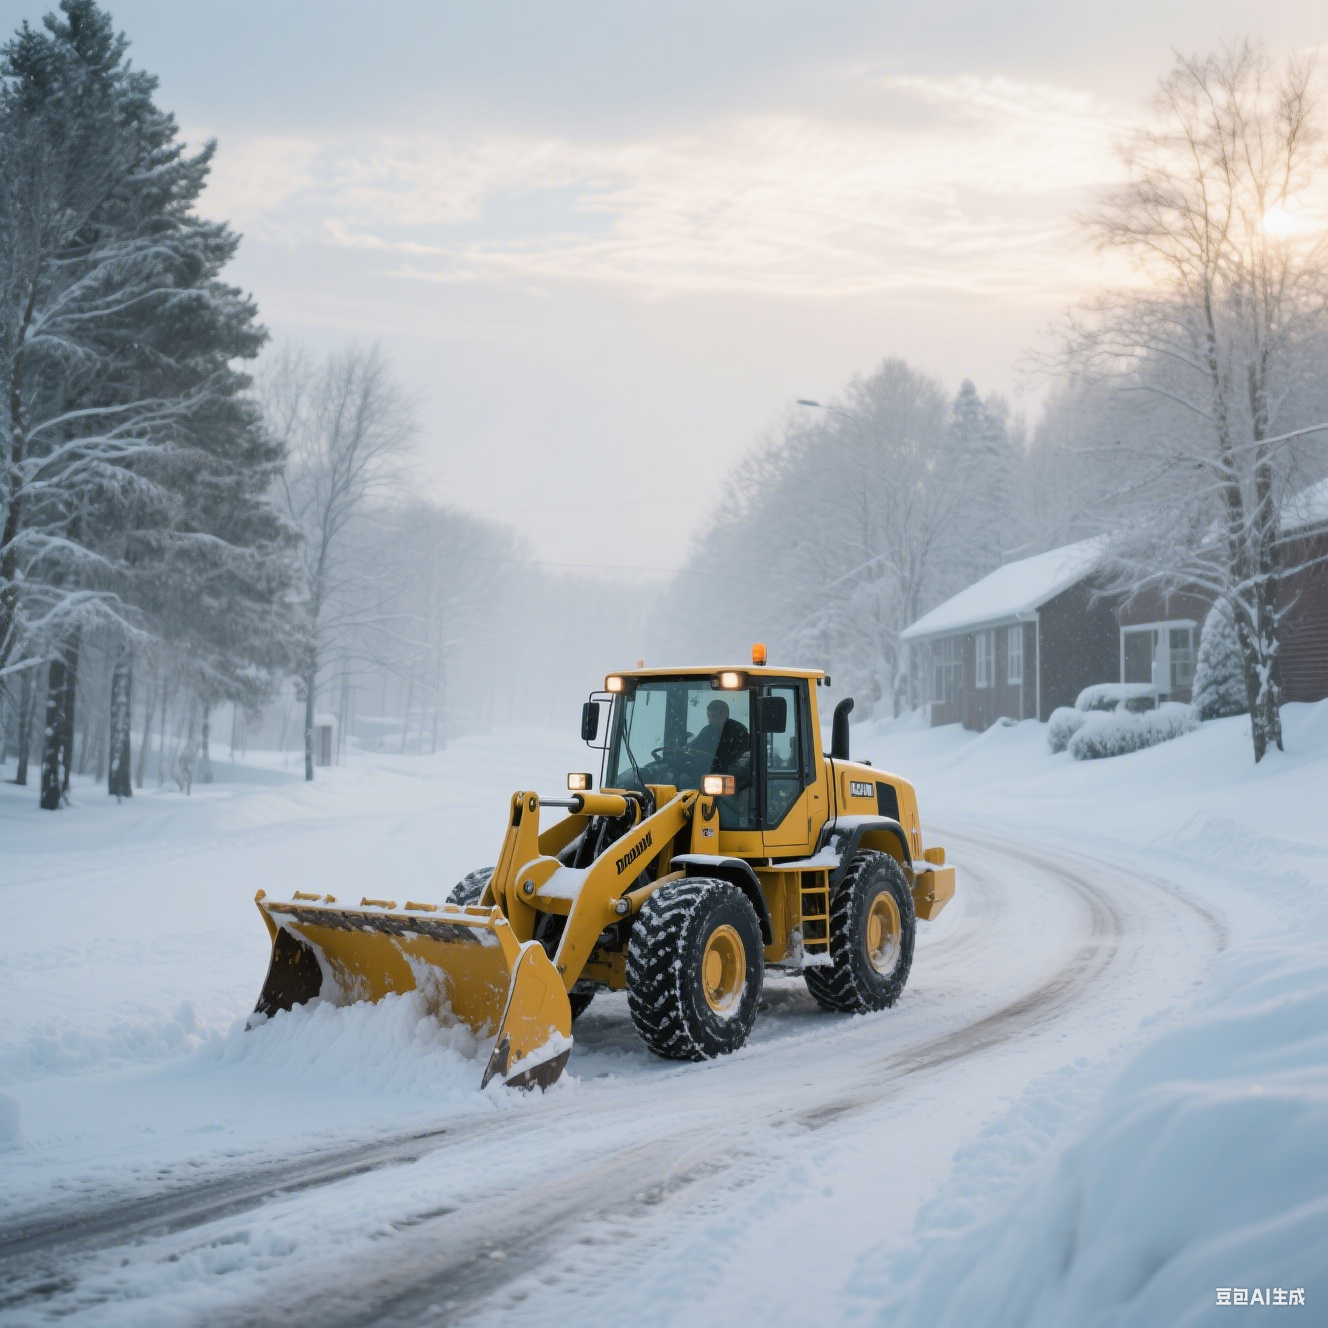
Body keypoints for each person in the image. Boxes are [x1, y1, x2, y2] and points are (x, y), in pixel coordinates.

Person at [689, 699, 749, 773]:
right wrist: (684, 748)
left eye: (713, 716)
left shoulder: (738, 730)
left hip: (732, 772)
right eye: (709, 717)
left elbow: (746, 754)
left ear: (723, 715)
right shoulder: (707, 730)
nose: (710, 720)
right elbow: (694, 745)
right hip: (708, 770)